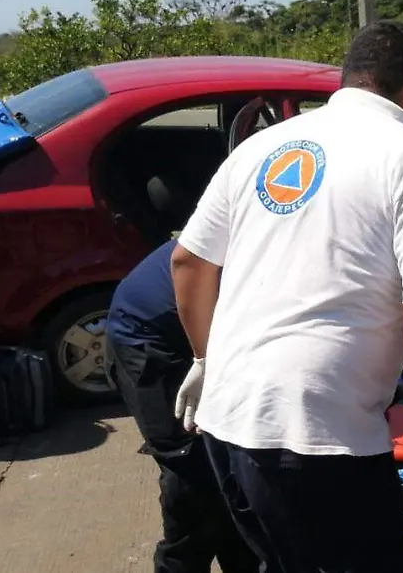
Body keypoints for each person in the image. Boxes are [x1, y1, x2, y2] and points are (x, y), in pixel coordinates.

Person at [169, 19, 403, 573]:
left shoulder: (262, 147)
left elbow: (188, 262)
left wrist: (203, 359)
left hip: (228, 423)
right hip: (318, 435)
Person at [106, 239, 260, 573]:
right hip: (149, 335)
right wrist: (205, 360)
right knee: (192, 478)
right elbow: (184, 261)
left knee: (233, 471)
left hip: (208, 331)